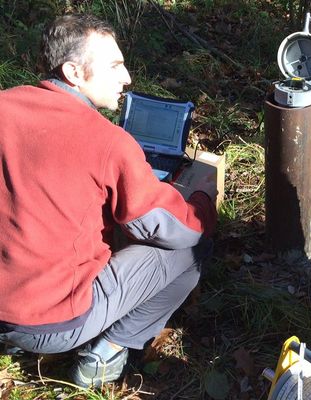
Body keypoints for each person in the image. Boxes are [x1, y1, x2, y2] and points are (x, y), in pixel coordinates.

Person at [0, 14, 217, 388]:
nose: (127, 77)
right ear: (74, 72)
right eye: (115, 65)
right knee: (189, 253)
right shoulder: (107, 140)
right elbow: (173, 230)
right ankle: (107, 354)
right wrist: (202, 201)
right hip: (51, 324)